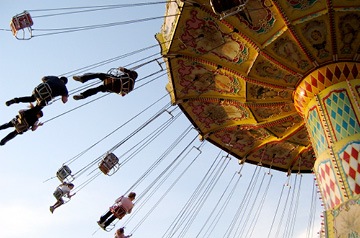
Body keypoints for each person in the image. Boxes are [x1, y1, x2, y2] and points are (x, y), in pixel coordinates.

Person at [72, 67, 138, 100]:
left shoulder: (130, 74)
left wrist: (121, 68)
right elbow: (123, 95)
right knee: (98, 89)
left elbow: (122, 69)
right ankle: (83, 95)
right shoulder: (132, 86)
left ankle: (82, 78)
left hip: (114, 81)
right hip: (114, 88)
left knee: (98, 74)